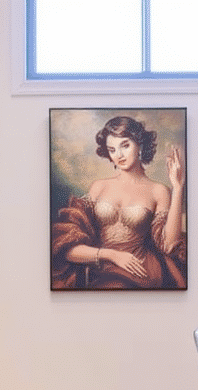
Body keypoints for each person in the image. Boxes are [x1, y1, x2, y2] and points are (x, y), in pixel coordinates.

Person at [51, 115, 186, 291]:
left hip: (142, 271)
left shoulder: (158, 190)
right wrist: (112, 255)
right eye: (112, 149)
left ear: (140, 145)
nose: (119, 155)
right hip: (101, 269)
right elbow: (67, 247)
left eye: (125, 146)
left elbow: (168, 246)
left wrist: (178, 187)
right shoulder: (99, 187)